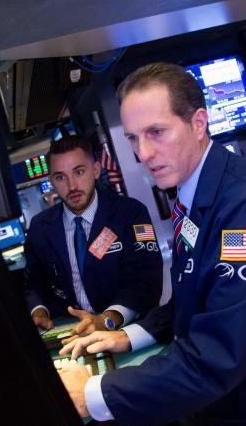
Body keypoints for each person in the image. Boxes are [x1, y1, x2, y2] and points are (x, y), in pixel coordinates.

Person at [58, 62, 246, 426]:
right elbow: (196, 294)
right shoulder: (197, 194)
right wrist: (129, 335)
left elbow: (221, 352)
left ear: (199, 123)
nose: (144, 154)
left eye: (156, 132)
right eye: (134, 138)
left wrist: (93, 392)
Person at [23, 136, 162, 336]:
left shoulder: (131, 213)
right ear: (51, 181)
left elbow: (145, 281)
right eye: (61, 177)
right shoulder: (39, 227)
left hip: (126, 329)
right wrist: (39, 311)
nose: (72, 186)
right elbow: (33, 284)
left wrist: (106, 320)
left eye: (79, 172)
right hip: (70, 332)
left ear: (96, 170)